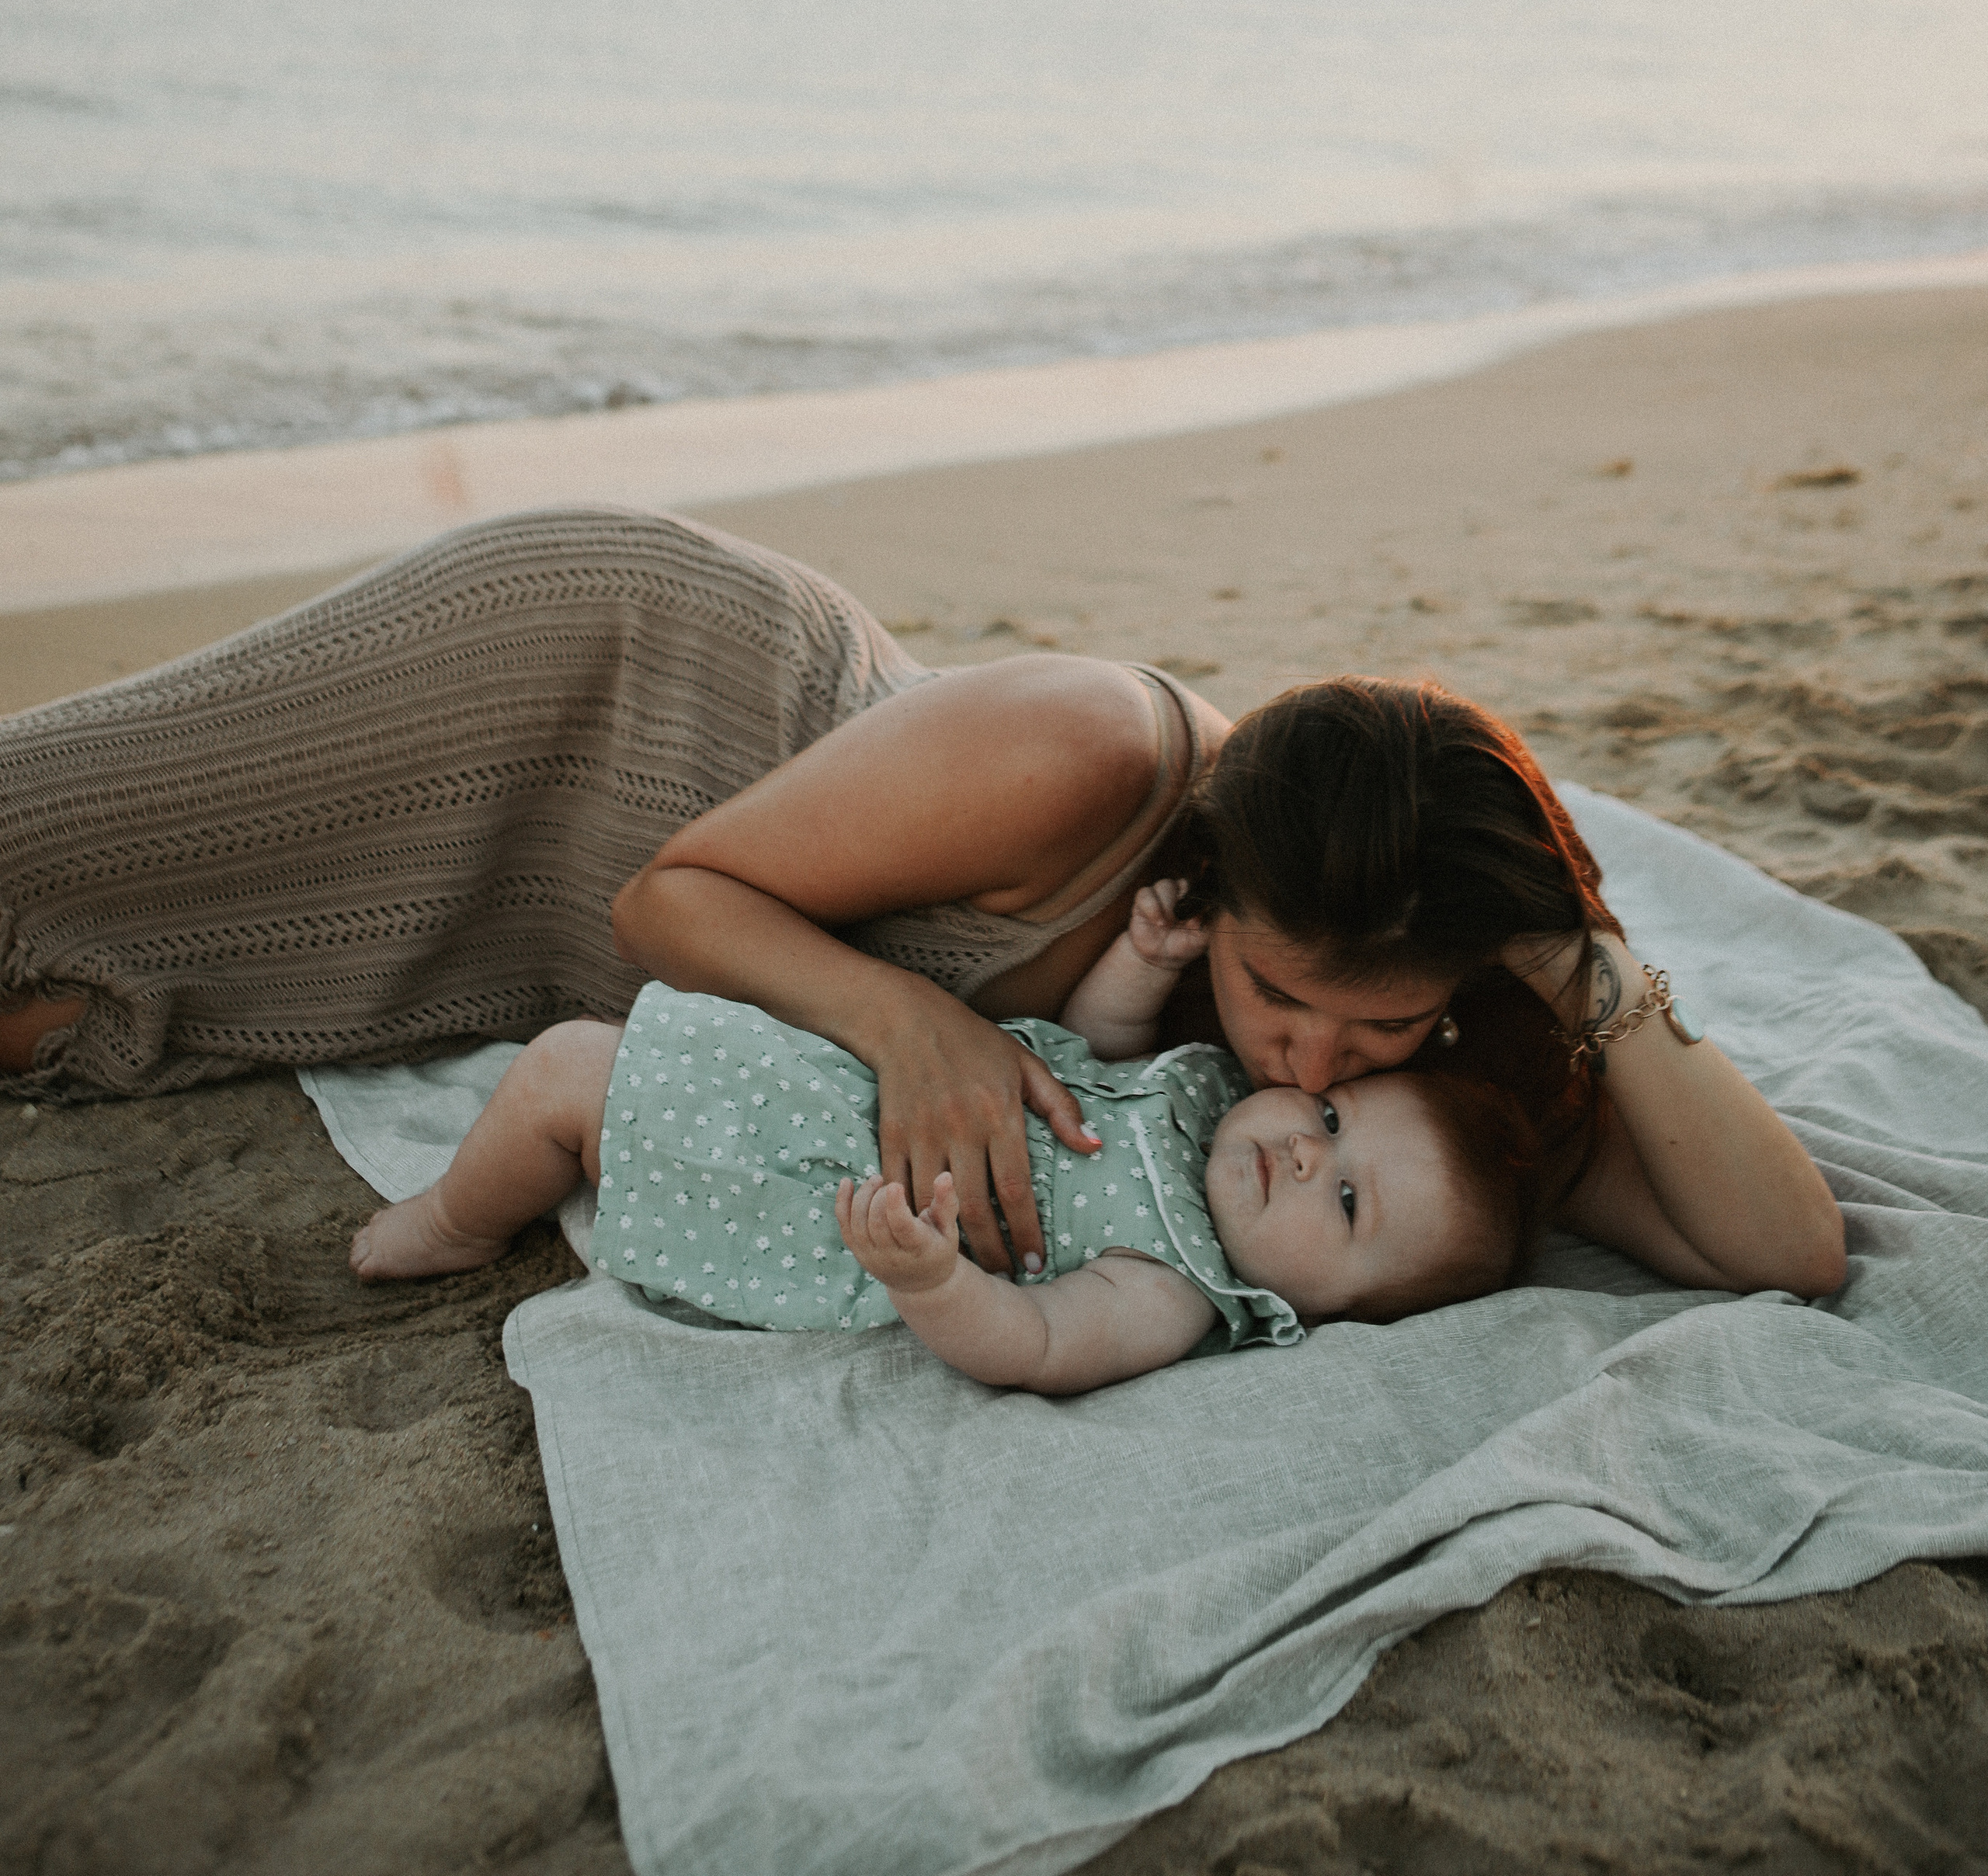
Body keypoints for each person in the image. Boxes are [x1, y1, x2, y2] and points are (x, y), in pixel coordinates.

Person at [0, 508, 1844, 1298]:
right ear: (1216, 882)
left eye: (1384, 1031)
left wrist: (1591, 969)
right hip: (607, 680)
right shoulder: (1083, 758)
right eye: (1288, 995)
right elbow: (672, 898)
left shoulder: (1424, 1012)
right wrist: (914, 1021)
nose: (1313, 1055)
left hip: (540, 938)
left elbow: (1783, 1257)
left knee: (90, 1008)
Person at [347, 882, 1541, 1393]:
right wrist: (1144, 961)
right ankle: (478, 1192)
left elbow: (1030, 1342)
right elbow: (1085, 1049)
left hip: (832, 1190)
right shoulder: (1209, 1093)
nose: (1302, 1153)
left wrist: (927, 1276)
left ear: (1318, 1314)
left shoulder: (1176, 1288)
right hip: (851, 1081)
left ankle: (459, 1219)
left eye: (1343, 1204)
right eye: (1331, 1123)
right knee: (581, 1058)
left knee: (567, 1075)